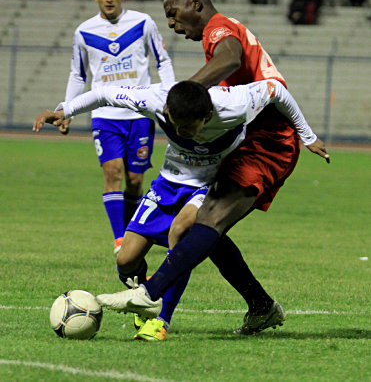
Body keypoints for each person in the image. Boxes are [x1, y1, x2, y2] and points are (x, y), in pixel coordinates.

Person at [91, 0, 330, 336]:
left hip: (269, 141)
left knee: (204, 221)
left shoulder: (218, 30)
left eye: (174, 14)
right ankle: (261, 306)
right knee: (205, 228)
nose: (172, 24)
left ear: (197, 3)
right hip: (251, 137)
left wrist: (186, 95)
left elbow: (232, 57)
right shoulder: (217, 32)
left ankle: (151, 296)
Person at [33, 78, 329, 339]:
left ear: (208, 116)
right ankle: (155, 300)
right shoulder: (156, 100)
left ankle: (161, 320)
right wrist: (64, 110)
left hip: (209, 183)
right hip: (168, 182)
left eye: (190, 128)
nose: (182, 133)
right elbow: (104, 94)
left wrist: (307, 135)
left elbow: (277, 90)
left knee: (182, 231)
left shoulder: (235, 104)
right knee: (126, 260)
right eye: (176, 125)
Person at [60, 0, 175, 254]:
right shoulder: (84, 31)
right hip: (104, 114)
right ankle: (120, 240)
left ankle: (130, 231)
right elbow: (78, 74)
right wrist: (67, 109)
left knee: (135, 181)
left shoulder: (143, 23)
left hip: (138, 113)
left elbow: (163, 60)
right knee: (113, 173)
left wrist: (169, 97)